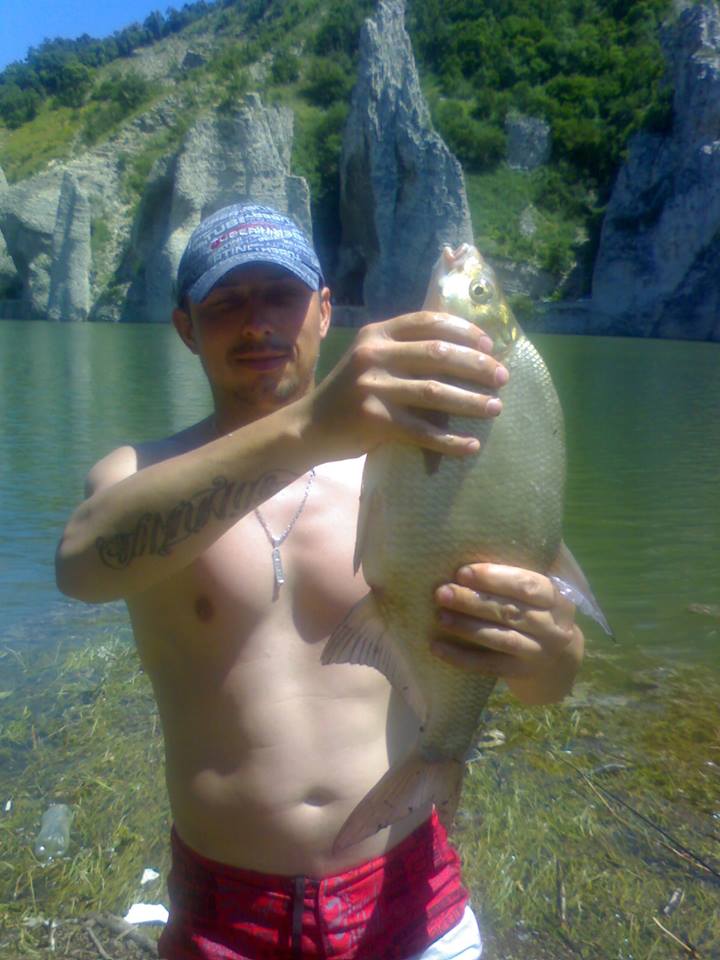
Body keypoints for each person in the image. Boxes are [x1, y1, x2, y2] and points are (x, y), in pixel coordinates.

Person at [55, 203, 584, 960]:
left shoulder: (412, 474)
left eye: (282, 295)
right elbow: (81, 565)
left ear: (325, 312)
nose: (257, 324)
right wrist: (311, 429)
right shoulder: (138, 475)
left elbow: (546, 681)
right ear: (185, 329)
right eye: (225, 303)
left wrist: (548, 652)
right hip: (224, 920)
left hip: (412, 905)